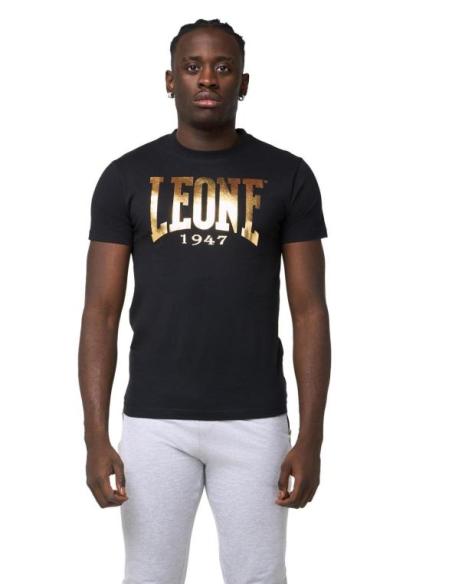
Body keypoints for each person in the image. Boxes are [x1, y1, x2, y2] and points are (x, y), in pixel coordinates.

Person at [78, 18, 331, 584]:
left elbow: (310, 311)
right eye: (193, 67)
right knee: (150, 575)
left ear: (244, 82)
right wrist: (95, 436)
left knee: (259, 576)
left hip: (256, 419)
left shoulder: (288, 175)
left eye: (223, 67)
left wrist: (311, 437)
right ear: (171, 80)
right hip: (154, 421)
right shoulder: (126, 176)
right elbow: (100, 312)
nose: (208, 79)